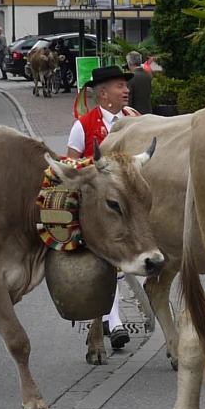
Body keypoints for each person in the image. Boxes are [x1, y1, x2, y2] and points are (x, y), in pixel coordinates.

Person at [66, 63, 139, 349]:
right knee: (110, 263)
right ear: (103, 93)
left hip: (128, 207)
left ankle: (111, 319)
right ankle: (115, 320)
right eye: (120, 86)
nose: (126, 90)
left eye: (126, 85)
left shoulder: (134, 118)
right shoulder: (83, 125)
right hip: (98, 208)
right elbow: (71, 167)